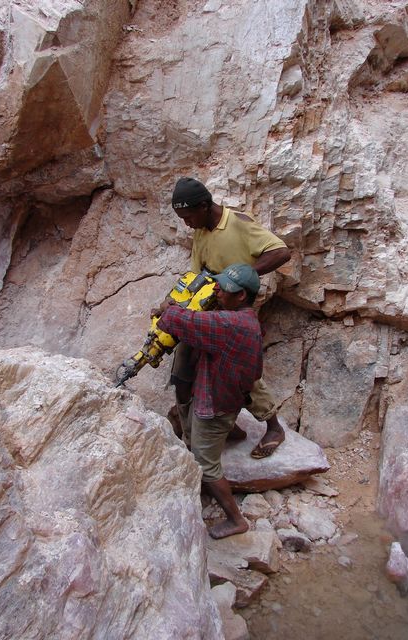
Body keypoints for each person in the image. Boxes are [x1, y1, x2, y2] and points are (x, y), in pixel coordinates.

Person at [170, 176, 291, 458]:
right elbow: (196, 274)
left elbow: (281, 252)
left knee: (239, 374)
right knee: (187, 366)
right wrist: (176, 303)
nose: (187, 224)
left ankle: (273, 426)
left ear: (204, 206)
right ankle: (213, 429)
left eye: (188, 217)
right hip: (209, 311)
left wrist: (242, 277)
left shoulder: (237, 223)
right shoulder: (201, 230)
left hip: (234, 314)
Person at [157, 263, 263, 538]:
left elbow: (182, 321)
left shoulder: (228, 324)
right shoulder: (248, 321)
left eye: (224, 288)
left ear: (241, 295)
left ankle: (236, 519)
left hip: (214, 405)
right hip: (224, 397)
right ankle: (228, 433)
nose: (217, 290)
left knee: (206, 464)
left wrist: (167, 308)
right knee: (201, 433)